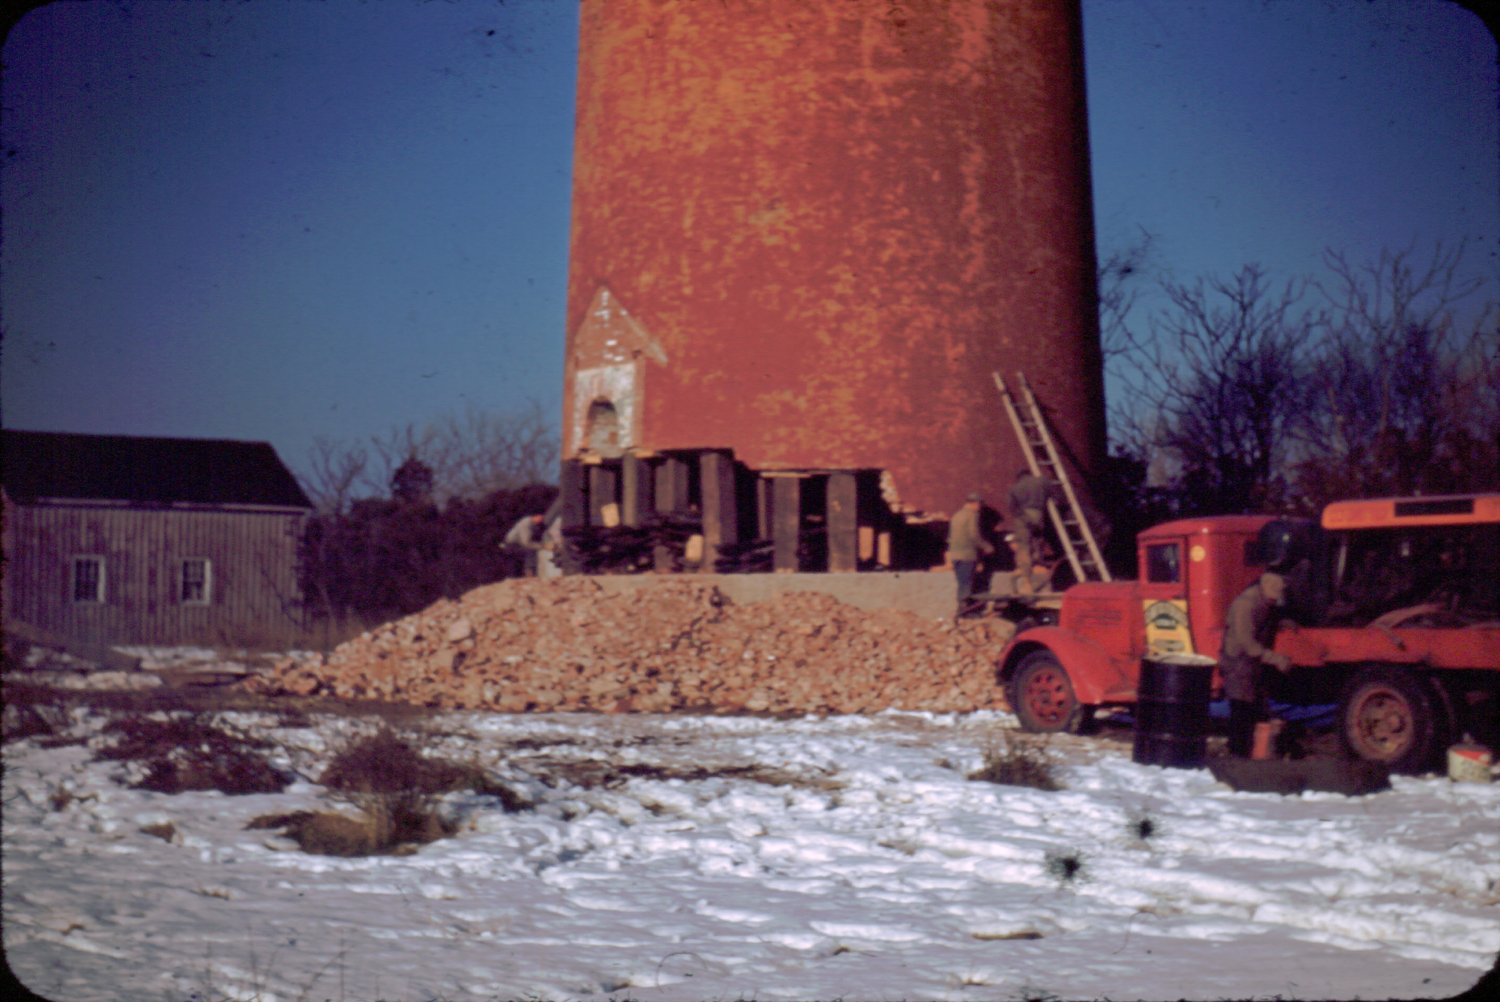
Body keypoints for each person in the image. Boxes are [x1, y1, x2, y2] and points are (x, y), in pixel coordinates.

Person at [1219, 571, 1294, 758]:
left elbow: (1268, 619)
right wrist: (1276, 659)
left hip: (1253, 663)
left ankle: (1253, 752)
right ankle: (1236, 754)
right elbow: (1248, 644)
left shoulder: (1265, 601)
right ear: (1264, 590)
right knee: (1241, 710)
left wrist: (1284, 623)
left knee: (1254, 709)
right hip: (1238, 662)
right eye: (1273, 598)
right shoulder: (1245, 605)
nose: (1275, 601)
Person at [1008, 468, 1062, 593]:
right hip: (1039, 515)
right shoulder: (1042, 481)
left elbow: (1012, 507)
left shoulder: (1015, 487)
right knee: (1037, 543)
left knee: (1023, 547)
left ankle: (1026, 582)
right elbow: (1056, 496)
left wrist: (1025, 517)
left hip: (1023, 517)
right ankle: (1037, 566)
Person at [946, 492, 994, 618]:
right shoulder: (972, 515)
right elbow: (974, 535)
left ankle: (962, 611)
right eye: (980, 505)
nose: (980, 508)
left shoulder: (957, 515)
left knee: (962, 582)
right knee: (967, 583)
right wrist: (986, 547)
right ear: (975, 503)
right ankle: (966, 612)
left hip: (956, 555)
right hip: (967, 554)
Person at [503, 512, 550, 577]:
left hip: (518, 544)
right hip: (512, 545)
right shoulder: (526, 523)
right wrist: (542, 546)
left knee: (533, 550)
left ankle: (532, 572)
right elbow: (526, 543)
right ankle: (529, 573)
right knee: (530, 551)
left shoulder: (535, 525)